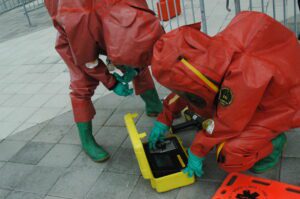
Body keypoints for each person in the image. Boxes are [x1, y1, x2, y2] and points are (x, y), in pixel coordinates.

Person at [149, 11, 300, 177]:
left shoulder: (244, 73)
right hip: (260, 91)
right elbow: (188, 89)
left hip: (284, 104)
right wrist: (165, 117)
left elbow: (228, 122)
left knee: (229, 155)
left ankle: (274, 144)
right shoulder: (208, 56)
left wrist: (197, 150)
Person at [44, 0, 164, 162]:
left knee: (139, 63)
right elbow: (88, 62)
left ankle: (154, 105)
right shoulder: (78, 17)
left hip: (103, 23)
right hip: (73, 37)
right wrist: (112, 83)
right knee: (82, 85)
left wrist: (134, 68)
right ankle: (87, 141)